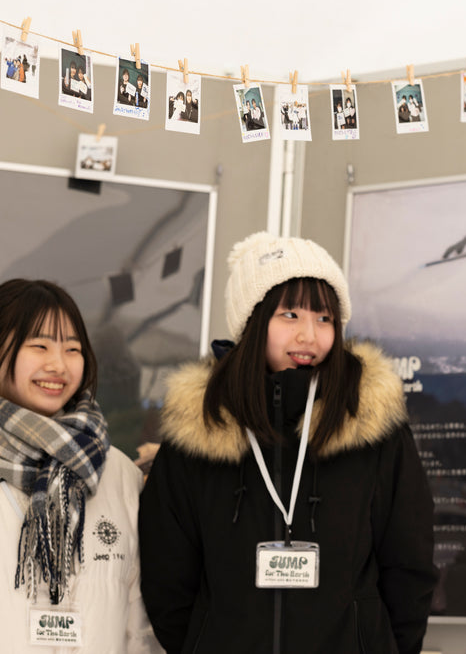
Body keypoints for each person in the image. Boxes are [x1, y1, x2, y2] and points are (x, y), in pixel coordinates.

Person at [138, 232, 437, 654]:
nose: (309, 337)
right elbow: (167, 573)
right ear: (252, 320)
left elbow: (410, 563)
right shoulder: (200, 427)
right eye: (290, 315)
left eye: (324, 319)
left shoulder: (372, 424)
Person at [0, 279, 161, 653]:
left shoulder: (118, 476)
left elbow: (141, 629)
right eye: (39, 346)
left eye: (73, 349)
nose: (58, 365)